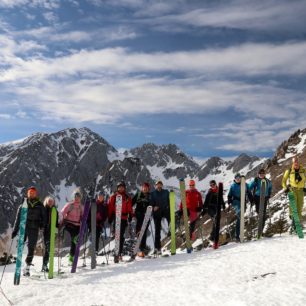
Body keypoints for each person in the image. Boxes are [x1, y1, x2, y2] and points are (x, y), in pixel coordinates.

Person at [12, 186, 46, 276]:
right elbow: (18, 218)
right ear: (28, 193)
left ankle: (27, 267)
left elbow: (44, 216)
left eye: (33, 193)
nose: (32, 194)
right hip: (24, 226)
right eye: (30, 192)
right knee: (20, 245)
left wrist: (42, 224)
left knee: (31, 248)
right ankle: (18, 266)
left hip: (34, 228)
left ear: (36, 194)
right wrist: (15, 230)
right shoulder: (23, 204)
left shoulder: (39, 205)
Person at [108, 181, 133, 263]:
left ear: (124, 188)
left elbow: (129, 208)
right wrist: (110, 216)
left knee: (121, 236)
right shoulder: (114, 197)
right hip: (116, 217)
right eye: (119, 187)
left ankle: (119, 253)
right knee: (117, 235)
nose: (121, 188)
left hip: (124, 218)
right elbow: (111, 207)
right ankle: (117, 253)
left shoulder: (127, 197)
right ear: (117, 188)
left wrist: (130, 215)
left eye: (122, 187)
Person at [282, 157, 306, 230]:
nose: (296, 163)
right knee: (293, 207)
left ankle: (297, 226)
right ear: (292, 163)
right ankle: (293, 225)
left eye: (297, 161)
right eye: (294, 161)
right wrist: (285, 188)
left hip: (301, 191)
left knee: (299, 207)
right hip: (292, 190)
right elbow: (283, 181)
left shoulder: (303, 170)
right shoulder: (289, 171)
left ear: (299, 162)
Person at [61, 189, 84, 265]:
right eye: (76, 196)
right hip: (69, 224)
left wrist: (83, 220)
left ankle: (71, 257)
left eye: (78, 197)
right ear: (73, 197)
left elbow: (83, 216)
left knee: (74, 243)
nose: (77, 198)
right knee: (74, 239)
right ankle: (71, 258)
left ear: (80, 198)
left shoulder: (81, 207)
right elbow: (62, 212)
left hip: (77, 225)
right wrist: (64, 217)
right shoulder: (69, 205)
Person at [227, 174, 251, 242]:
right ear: (234, 179)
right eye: (236, 178)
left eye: (239, 177)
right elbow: (229, 195)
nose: (238, 179)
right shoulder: (233, 186)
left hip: (243, 203)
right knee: (240, 217)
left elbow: (249, 193)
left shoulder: (245, 184)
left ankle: (240, 235)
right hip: (236, 203)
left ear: (241, 178)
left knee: (241, 218)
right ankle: (237, 236)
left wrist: (251, 200)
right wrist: (229, 202)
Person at [132, 182, 152, 257]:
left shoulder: (150, 196)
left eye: (146, 187)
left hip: (147, 216)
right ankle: (139, 248)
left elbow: (153, 204)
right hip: (139, 216)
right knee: (139, 231)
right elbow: (132, 202)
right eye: (144, 187)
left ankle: (142, 249)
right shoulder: (138, 194)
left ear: (148, 189)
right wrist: (130, 211)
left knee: (144, 232)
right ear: (142, 188)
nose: (145, 189)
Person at [151, 180, 170, 254]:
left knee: (171, 221)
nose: (159, 186)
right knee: (157, 231)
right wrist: (153, 207)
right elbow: (151, 203)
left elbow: (169, 201)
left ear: (162, 185)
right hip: (157, 213)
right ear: (155, 186)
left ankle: (171, 231)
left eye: (160, 185)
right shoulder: (153, 194)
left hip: (165, 211)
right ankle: (157, 248)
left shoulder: (166, 192)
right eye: (157, 185)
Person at [42, 196, 58, 272]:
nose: (50, 202)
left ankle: (44, 265)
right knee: (48, 248)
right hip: (46, 231)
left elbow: (56, 222)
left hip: (52, 232)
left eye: (51, 201)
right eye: (49, 201)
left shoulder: (55, 210)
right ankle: (45, 265)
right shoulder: (43, 209)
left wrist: (58, 228)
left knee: (49, 248)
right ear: (46, 202)